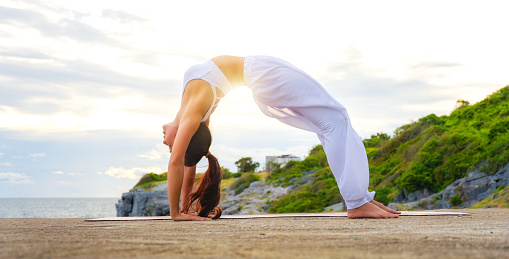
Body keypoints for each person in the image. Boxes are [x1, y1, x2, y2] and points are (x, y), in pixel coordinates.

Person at [163, 55, 400, 221]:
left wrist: (186, 206)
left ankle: (360, 197)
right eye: (172, 146)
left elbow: (186, 164)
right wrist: (176, 213)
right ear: (187, 134)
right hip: (262, 74)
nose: (166, 143)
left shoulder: (191, 111)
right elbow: (178, 162)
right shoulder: (193, 112)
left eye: (171, 145)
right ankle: (357, 202)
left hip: (260, 72)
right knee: (334, 120)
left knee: (331, 121)